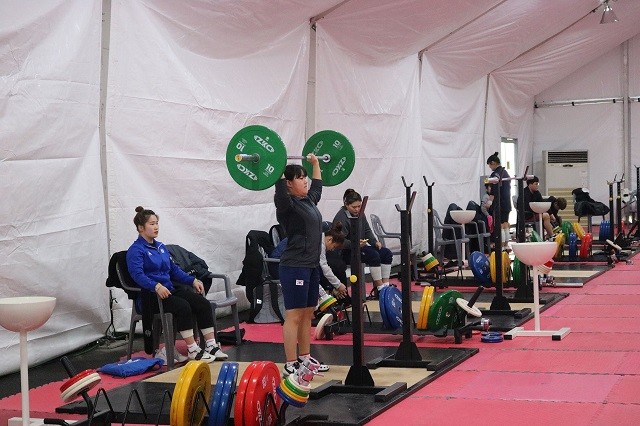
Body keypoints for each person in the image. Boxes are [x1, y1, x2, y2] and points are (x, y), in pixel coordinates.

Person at [126, 206, 227, 364]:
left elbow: (174, 270)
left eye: (157, 223)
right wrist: (156, 286)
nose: (156, 227)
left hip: (169, 290)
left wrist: (192, 280)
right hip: (150, 297)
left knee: (202, 303)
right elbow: (137, 275)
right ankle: (192, 349)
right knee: (183, 307)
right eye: (152, 224)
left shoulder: (161, 247)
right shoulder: (135, 250)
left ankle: (211, 346)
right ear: (140, 228)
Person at [274, 155, 325, 382]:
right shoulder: (287, 205)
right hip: (294, 266)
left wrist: (315, 164)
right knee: (294, 315)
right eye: (300, 178)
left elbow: (318, 187)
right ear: (288, 183)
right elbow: (280, 192)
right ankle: (290, 363)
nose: (305, 181)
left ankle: (305, 358)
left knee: (307, 314)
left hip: (311, 266)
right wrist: (277, 168)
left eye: (305, 177)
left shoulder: (308, 201)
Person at [333, 188, 393, 299]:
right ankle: (381, 289)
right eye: (354, 207)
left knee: (386, 253)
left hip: (359, 247)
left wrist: (374, 242)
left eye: (359, 206)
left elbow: (367, 230)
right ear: (346, 205)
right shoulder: (341, 218)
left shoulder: (361, 214)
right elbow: (339, 241)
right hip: (346, 252)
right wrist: (355, 244)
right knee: (373, 255)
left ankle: (386, 285)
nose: (357, 209)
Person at [486, 152, 512, 248]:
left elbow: (493, 190)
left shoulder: (496, 174)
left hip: (499, 203)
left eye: (489, 165)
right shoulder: (505, 172)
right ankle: (506, 246)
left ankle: (500, 247)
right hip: (507, 202)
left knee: (499, 226)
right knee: (505, 224)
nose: (490, 167)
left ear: (493, 163)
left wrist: (489, 202)